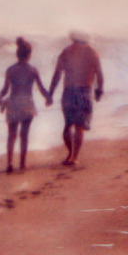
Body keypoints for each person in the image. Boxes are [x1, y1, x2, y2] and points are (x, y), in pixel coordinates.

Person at [47, 31, 105, 166]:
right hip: (84, 91)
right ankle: (75, 156)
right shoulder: (92, 52)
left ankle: (69, 153)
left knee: (67, 125)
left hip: (68, 92)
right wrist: (99, 90)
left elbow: (57, 75)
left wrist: (50, 94)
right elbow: (99, 73)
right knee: (79, 127)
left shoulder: (66, 52)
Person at [0, 37, 50, 173]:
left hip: (13, 103)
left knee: (11, 135)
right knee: (24, 135)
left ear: (17, 54)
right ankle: (22, 163)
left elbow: (5, 89)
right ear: (29, 55)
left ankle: (9, 163)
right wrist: (48, 97)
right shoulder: (32, 70)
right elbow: (41, 88)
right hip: (27, 104)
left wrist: (0, 97)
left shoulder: (10, 70)